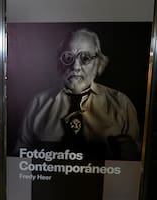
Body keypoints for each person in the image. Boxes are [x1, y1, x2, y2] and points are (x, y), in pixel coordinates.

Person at [14, 28, 140, 160]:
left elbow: (135, 160)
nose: (75, 67)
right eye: (68, 57)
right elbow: (20, 154)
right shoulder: (38, 103)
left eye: (85, 58)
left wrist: (130, 156)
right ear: (59, 62)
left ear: (98, 63)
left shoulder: (121, 103)